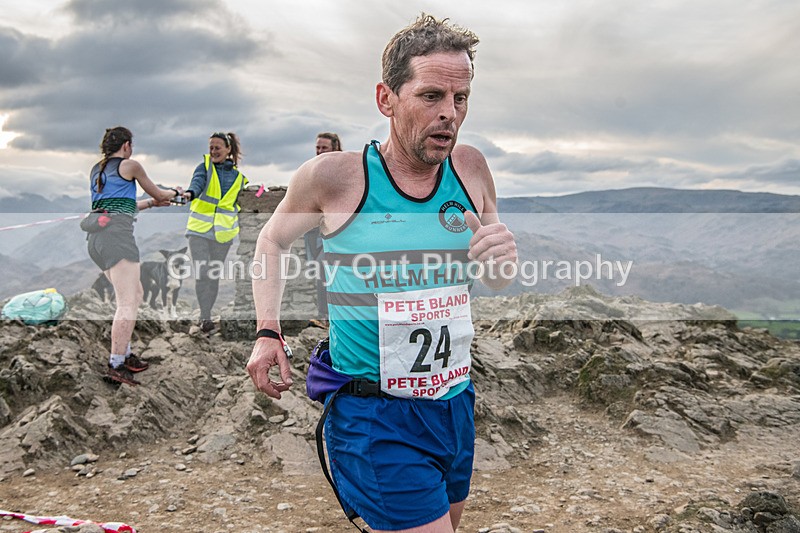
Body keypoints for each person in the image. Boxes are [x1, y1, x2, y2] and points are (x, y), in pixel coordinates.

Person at [247, 14, 517, 533]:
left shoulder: (471, 168)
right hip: (374, 413)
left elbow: (497, 275)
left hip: (454, 402)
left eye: (461, 98)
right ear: (386, 99)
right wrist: (267, 331)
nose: (450, 113)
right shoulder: (336, 177)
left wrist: (501, 261)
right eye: (431, 96)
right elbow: (271, 240)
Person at [87, 126, 183, 386]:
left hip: (97, 241)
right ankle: (116, 364)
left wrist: (151, 204)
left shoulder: (97, 169)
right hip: (118, 241)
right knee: (127, 303)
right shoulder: (130, 165)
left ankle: (125, 352)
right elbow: (159, 192)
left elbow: (118, 205)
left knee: (136, 294)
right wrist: (176, 193)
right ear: (127, 145)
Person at [182, 132, 249, 333]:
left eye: (217, 148)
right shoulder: (204, 167)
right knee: (203, 273)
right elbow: (197, 184)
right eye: (210, 148)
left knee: (213, 275)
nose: (213, 151)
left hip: (223, 234)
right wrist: (189, 194)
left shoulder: (239, 178)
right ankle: (205, 317)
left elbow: (243, 201)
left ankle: (207, 315)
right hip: (199, 231)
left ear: (228, 149)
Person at [305, 132, 343, 327]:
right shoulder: (312, 170)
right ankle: (325, 316)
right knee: (319, 269)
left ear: (335, 148)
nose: (319, 151)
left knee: (325, 268)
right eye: (317, 148)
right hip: (314, 233)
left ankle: (327, 315)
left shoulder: (343, 171)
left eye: (324, 148)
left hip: (337, 232)